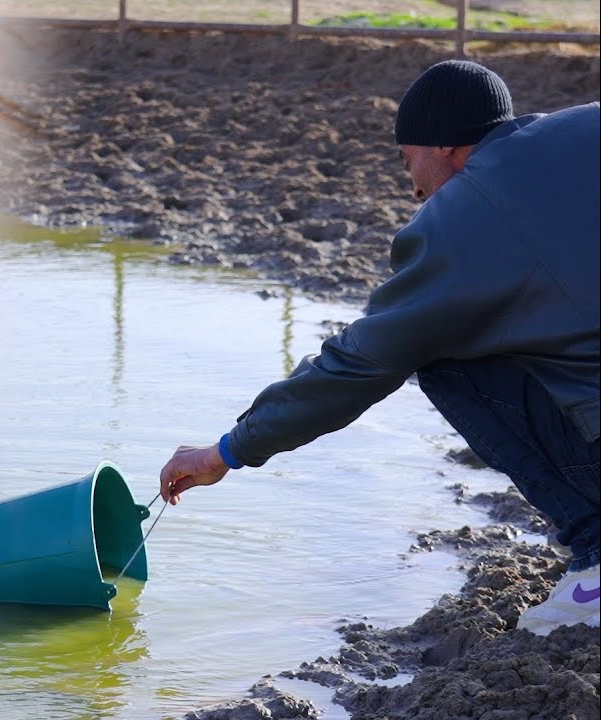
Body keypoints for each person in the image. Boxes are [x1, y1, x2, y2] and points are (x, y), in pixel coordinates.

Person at [158, 60, 600, 635]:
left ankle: (596, 555)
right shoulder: (584, 130)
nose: (413, 185)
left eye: (406, 158)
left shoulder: (462, 215)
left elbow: (359, 363)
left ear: (443, 145)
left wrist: (225, 451)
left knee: (442, 357)